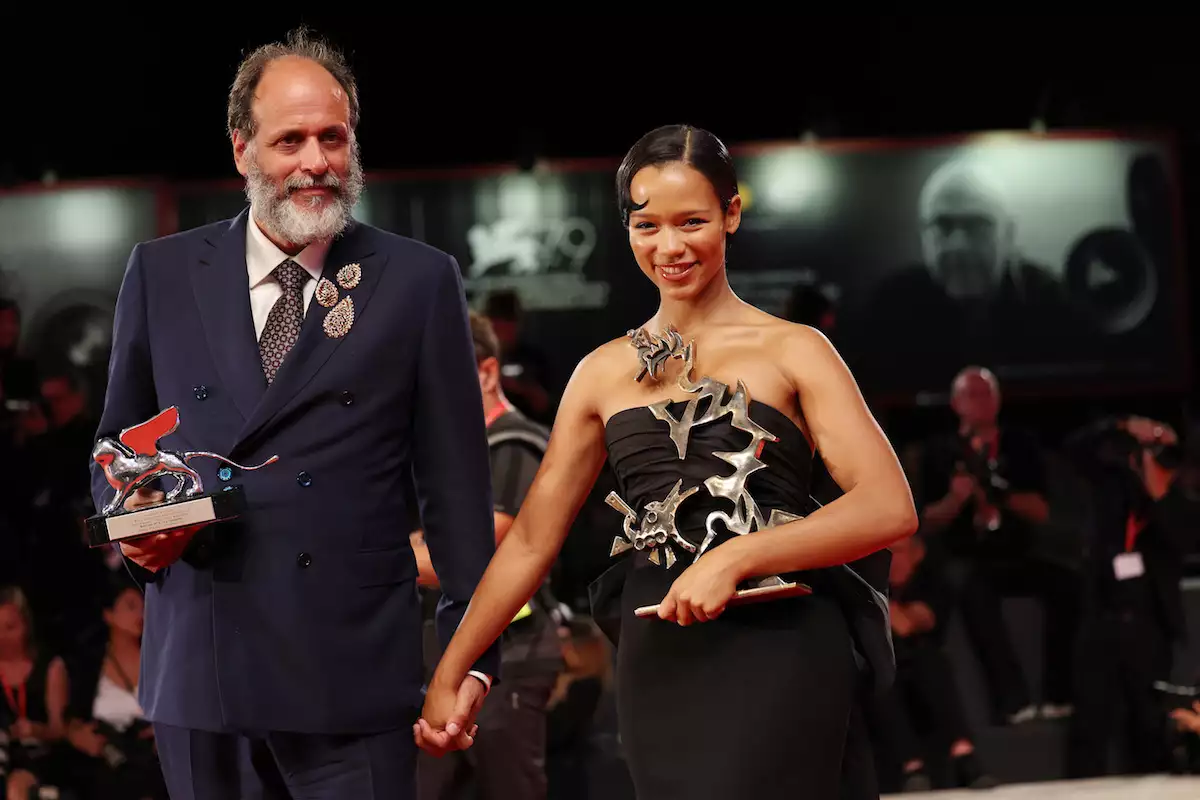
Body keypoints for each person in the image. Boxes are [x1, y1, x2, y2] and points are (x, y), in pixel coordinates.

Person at [414, 124, 918, 799]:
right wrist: (455, 668)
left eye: (692, 222)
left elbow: (888, 506)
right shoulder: (600, 374)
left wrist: (736, 557)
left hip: (782, 638)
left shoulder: (795, 351)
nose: (670, 246)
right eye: (647, 225)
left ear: (731, 214)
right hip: (659, 651)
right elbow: (532, 541)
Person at [87, 28, 499, 799]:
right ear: (242, 149)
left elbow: (456, 493)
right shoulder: (162, 272)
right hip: (202, 665)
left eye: (333, 138)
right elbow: (116, 444)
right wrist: (134, 520)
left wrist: (471, 655)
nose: (315, 162)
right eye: (290, 140)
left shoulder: (417, 281)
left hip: (352, 677)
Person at [412, 311, 564, 800]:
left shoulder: (516, 446)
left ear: (488, 372)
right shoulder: (437, 455)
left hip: (510, 655)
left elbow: (473, 561)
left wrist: (363, 557)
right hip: (435, 656)